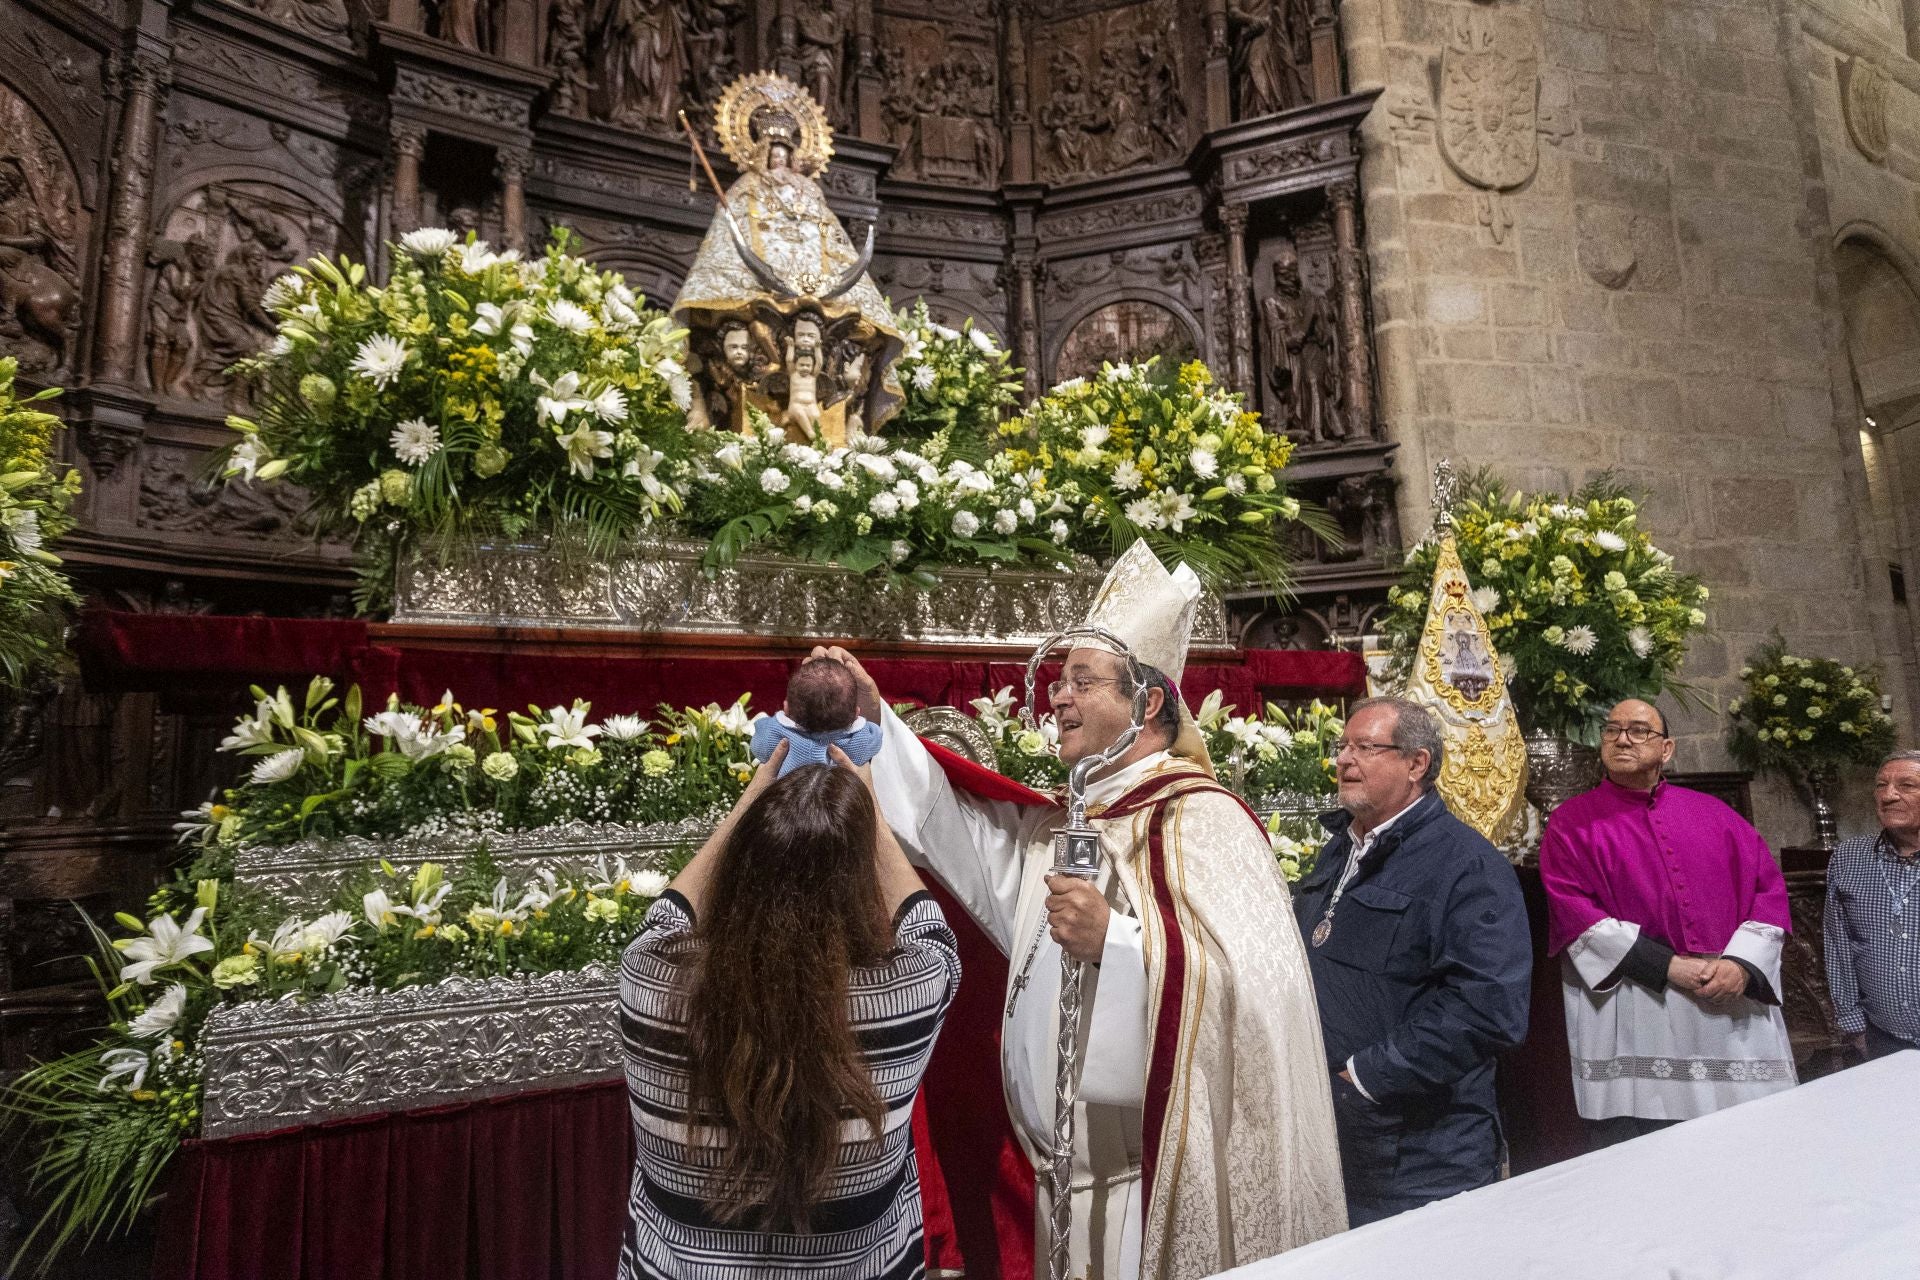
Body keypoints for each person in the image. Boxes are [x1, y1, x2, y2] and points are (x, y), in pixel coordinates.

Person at [826, 540, 1345, 1280]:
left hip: (1148, 1188)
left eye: (1082, 682)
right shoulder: (1076, 822)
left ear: (1149, 703)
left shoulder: (1202, 819)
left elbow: (1265, 996)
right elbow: (963, 835)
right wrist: (882, 727)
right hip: (1060, 1188)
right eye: (1058, 680)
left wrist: (1120, 943)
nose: (1057, 698)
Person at [617, 740, 961, 1280]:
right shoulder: (908, 989)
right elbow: (928, 924)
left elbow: (670, 910)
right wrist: (868, 814)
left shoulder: (651, 979)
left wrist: (753, 801)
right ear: (857, 885)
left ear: (739, 868)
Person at [1292, 695, 1531, 1225]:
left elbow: (1489, 1008)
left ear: (1416, 764)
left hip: (1422, 1149)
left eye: (1365, 747)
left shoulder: (1468, 865)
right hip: (1338, 1138)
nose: (1344, 760)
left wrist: (1363, 1078)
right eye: (1342, 746)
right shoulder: (1340, 848)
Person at [1539, 699, 1796, 1149]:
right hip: (1638, 1003)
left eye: (1638, 730)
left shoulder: (1717, 815)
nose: (1622, 738)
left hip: (1729, 1003)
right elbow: (1575, 913)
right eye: (1612, 730)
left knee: (1753, 1146)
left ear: (1668, 748)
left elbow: (1767, 892)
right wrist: (1668, 966)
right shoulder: (1570, 824)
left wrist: (1740, 965)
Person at [1824, 749, 1920, 1060]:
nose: (1889, 795)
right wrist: (1853, 1024)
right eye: (1881, 785)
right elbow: (1838, 945)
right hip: (1883, 1038)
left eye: (1906, 785)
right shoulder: (1850, 857)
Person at [751, 655, 883, 776]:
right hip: (839, 799)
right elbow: (876, 736)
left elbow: (757, 745)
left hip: (787, 798)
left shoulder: (776, 735)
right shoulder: (858, 741)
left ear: (786, 708)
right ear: (856, 713)